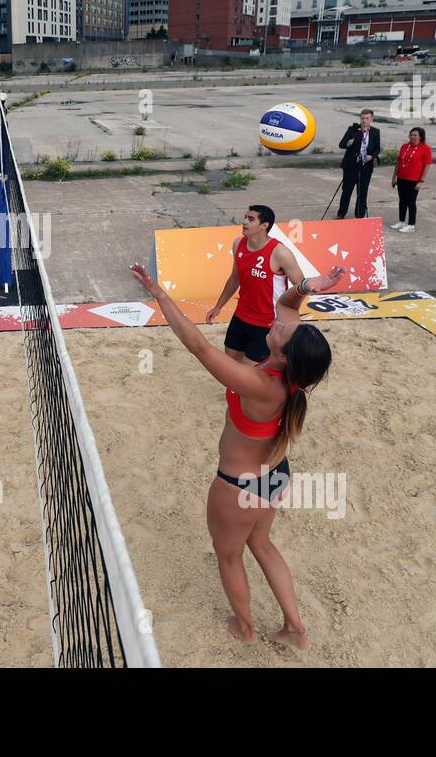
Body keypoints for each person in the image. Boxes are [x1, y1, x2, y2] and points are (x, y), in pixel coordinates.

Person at [132, 260, 345, 649]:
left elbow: (198, 347)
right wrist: (309, 286)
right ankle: (295, 629)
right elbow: (287, 305)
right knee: (262, 544)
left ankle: (244, 628)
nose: (279, 322)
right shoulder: (292, 377)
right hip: (275, 475)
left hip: (238, 486)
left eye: (283, 329)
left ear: (283, 355)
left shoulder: (257, 383)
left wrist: (159, 294)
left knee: (229, 557)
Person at [205, 205, 306, 365]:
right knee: (231, 364)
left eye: (250, 219)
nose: (244, 222)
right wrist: (218, 307)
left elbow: (301, 287)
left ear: (264, 225)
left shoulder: (280, 253)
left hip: (267, 323)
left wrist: (288, 316)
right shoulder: (238, 244)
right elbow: (234, 278)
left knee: (249, 373)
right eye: (245, 217)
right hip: (241, 316)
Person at [336, 109, 381, 219]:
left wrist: (372, 156)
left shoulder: (375, 132)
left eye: (367, 118)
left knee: (362, 192)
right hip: (351, 166)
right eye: (362, 118)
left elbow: (377, 148)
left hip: (366, 166)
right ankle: (341, 214)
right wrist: (348, 143)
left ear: (371, 119)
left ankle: (359, 215)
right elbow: (341, 144)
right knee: (346, 191)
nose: (364, 121)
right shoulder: (353, 129)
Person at [390, 126, 432, 233]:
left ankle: (411, 224)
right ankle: (401, 221)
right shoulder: (404, 146)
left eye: (415, 135)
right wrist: (394, 177)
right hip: (401, 178)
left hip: (413, 180)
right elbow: (399, 162)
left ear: (420, 137)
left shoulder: (425, 149)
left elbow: (427, 166)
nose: (412, 137)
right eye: (411, 134)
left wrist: (421, 181)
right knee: (402, 201)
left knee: (411, 202)